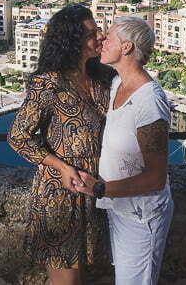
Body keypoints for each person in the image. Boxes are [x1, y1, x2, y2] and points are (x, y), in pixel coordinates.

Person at [7, 4, 113, 285]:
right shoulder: (49, 84)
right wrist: (63, 167)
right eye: (91, 33)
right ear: (72, 41)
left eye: (98, 30)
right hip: (61, 195)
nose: (100, 36)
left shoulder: (102, 79)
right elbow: (18, 137)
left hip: (93, 190)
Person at [75, 16, 173, 285]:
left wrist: (99, 188)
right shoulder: (119, 84)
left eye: (108, 37)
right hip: (120, 209)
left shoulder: (149, 102)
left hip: (142, 216)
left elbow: (155, 178)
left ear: (127, 47)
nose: (102, 41)